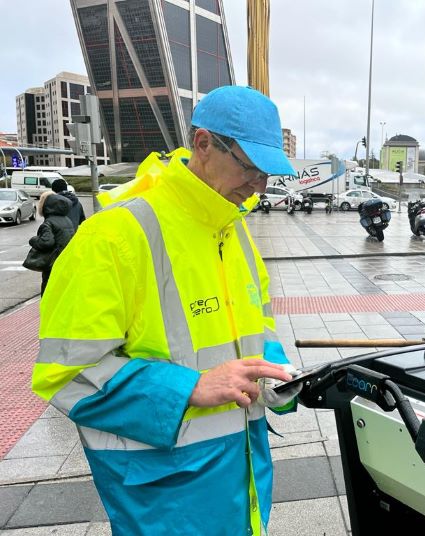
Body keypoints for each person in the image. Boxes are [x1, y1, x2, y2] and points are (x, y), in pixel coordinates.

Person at [32, 86, 303, 535]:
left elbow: (258, 326)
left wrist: (275, 373)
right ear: (202, 143)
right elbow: (66, 373)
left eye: (267, 173)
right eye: (250, 167)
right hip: (166, 497)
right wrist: (189, 388)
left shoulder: (233, 231)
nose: (260, 186)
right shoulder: (116, 235)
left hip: (242, 479)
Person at [30, 192, 75, 295]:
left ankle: (47, 310)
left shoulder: (49, 223)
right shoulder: (67, 220)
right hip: (65, 260)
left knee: (48, 290)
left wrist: (33, 240)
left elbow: (46, 242)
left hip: (52, 262)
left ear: (46, 206)